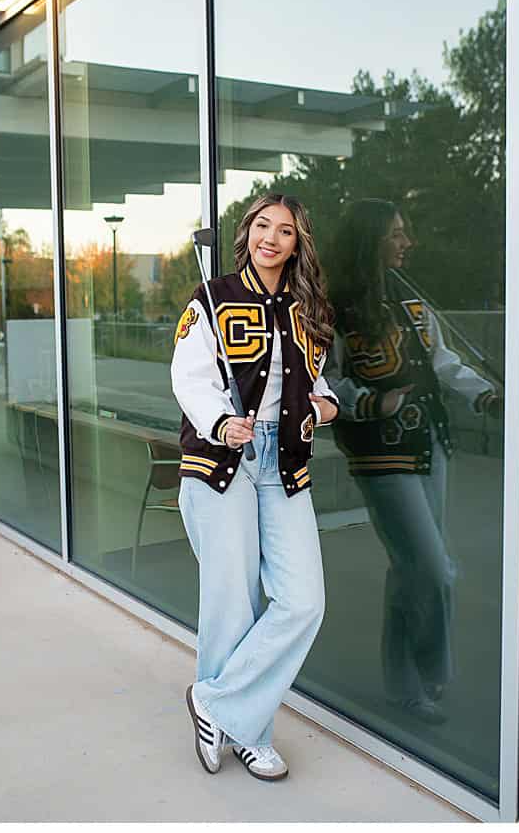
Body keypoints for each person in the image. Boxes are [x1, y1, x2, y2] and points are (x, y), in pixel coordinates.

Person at [171, 192, 339, 781]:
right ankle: (252, 732)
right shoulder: (211, 297)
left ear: (297, 244)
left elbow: (318, 377)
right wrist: (221, 420)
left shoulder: (306, 308)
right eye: (263, 226)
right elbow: (188, 375)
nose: (272, 237)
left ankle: (216, 703)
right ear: (249, 234)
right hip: (224, 458)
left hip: (285, 458)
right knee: (231, 601)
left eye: (285, 230)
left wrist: (326, 403)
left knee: (303, 601)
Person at [324, 198, 500, 725]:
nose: (408, 242)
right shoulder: (336, 309)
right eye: (397, 234)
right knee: (432, 568)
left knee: (410, 571)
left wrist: (485, 393)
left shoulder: (410, 299)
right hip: (379, 451)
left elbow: (441, 360)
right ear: (371, 240)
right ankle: (431, 667)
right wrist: (369, 402)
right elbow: (324, 379)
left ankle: (405, 687)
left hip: (431, 442)